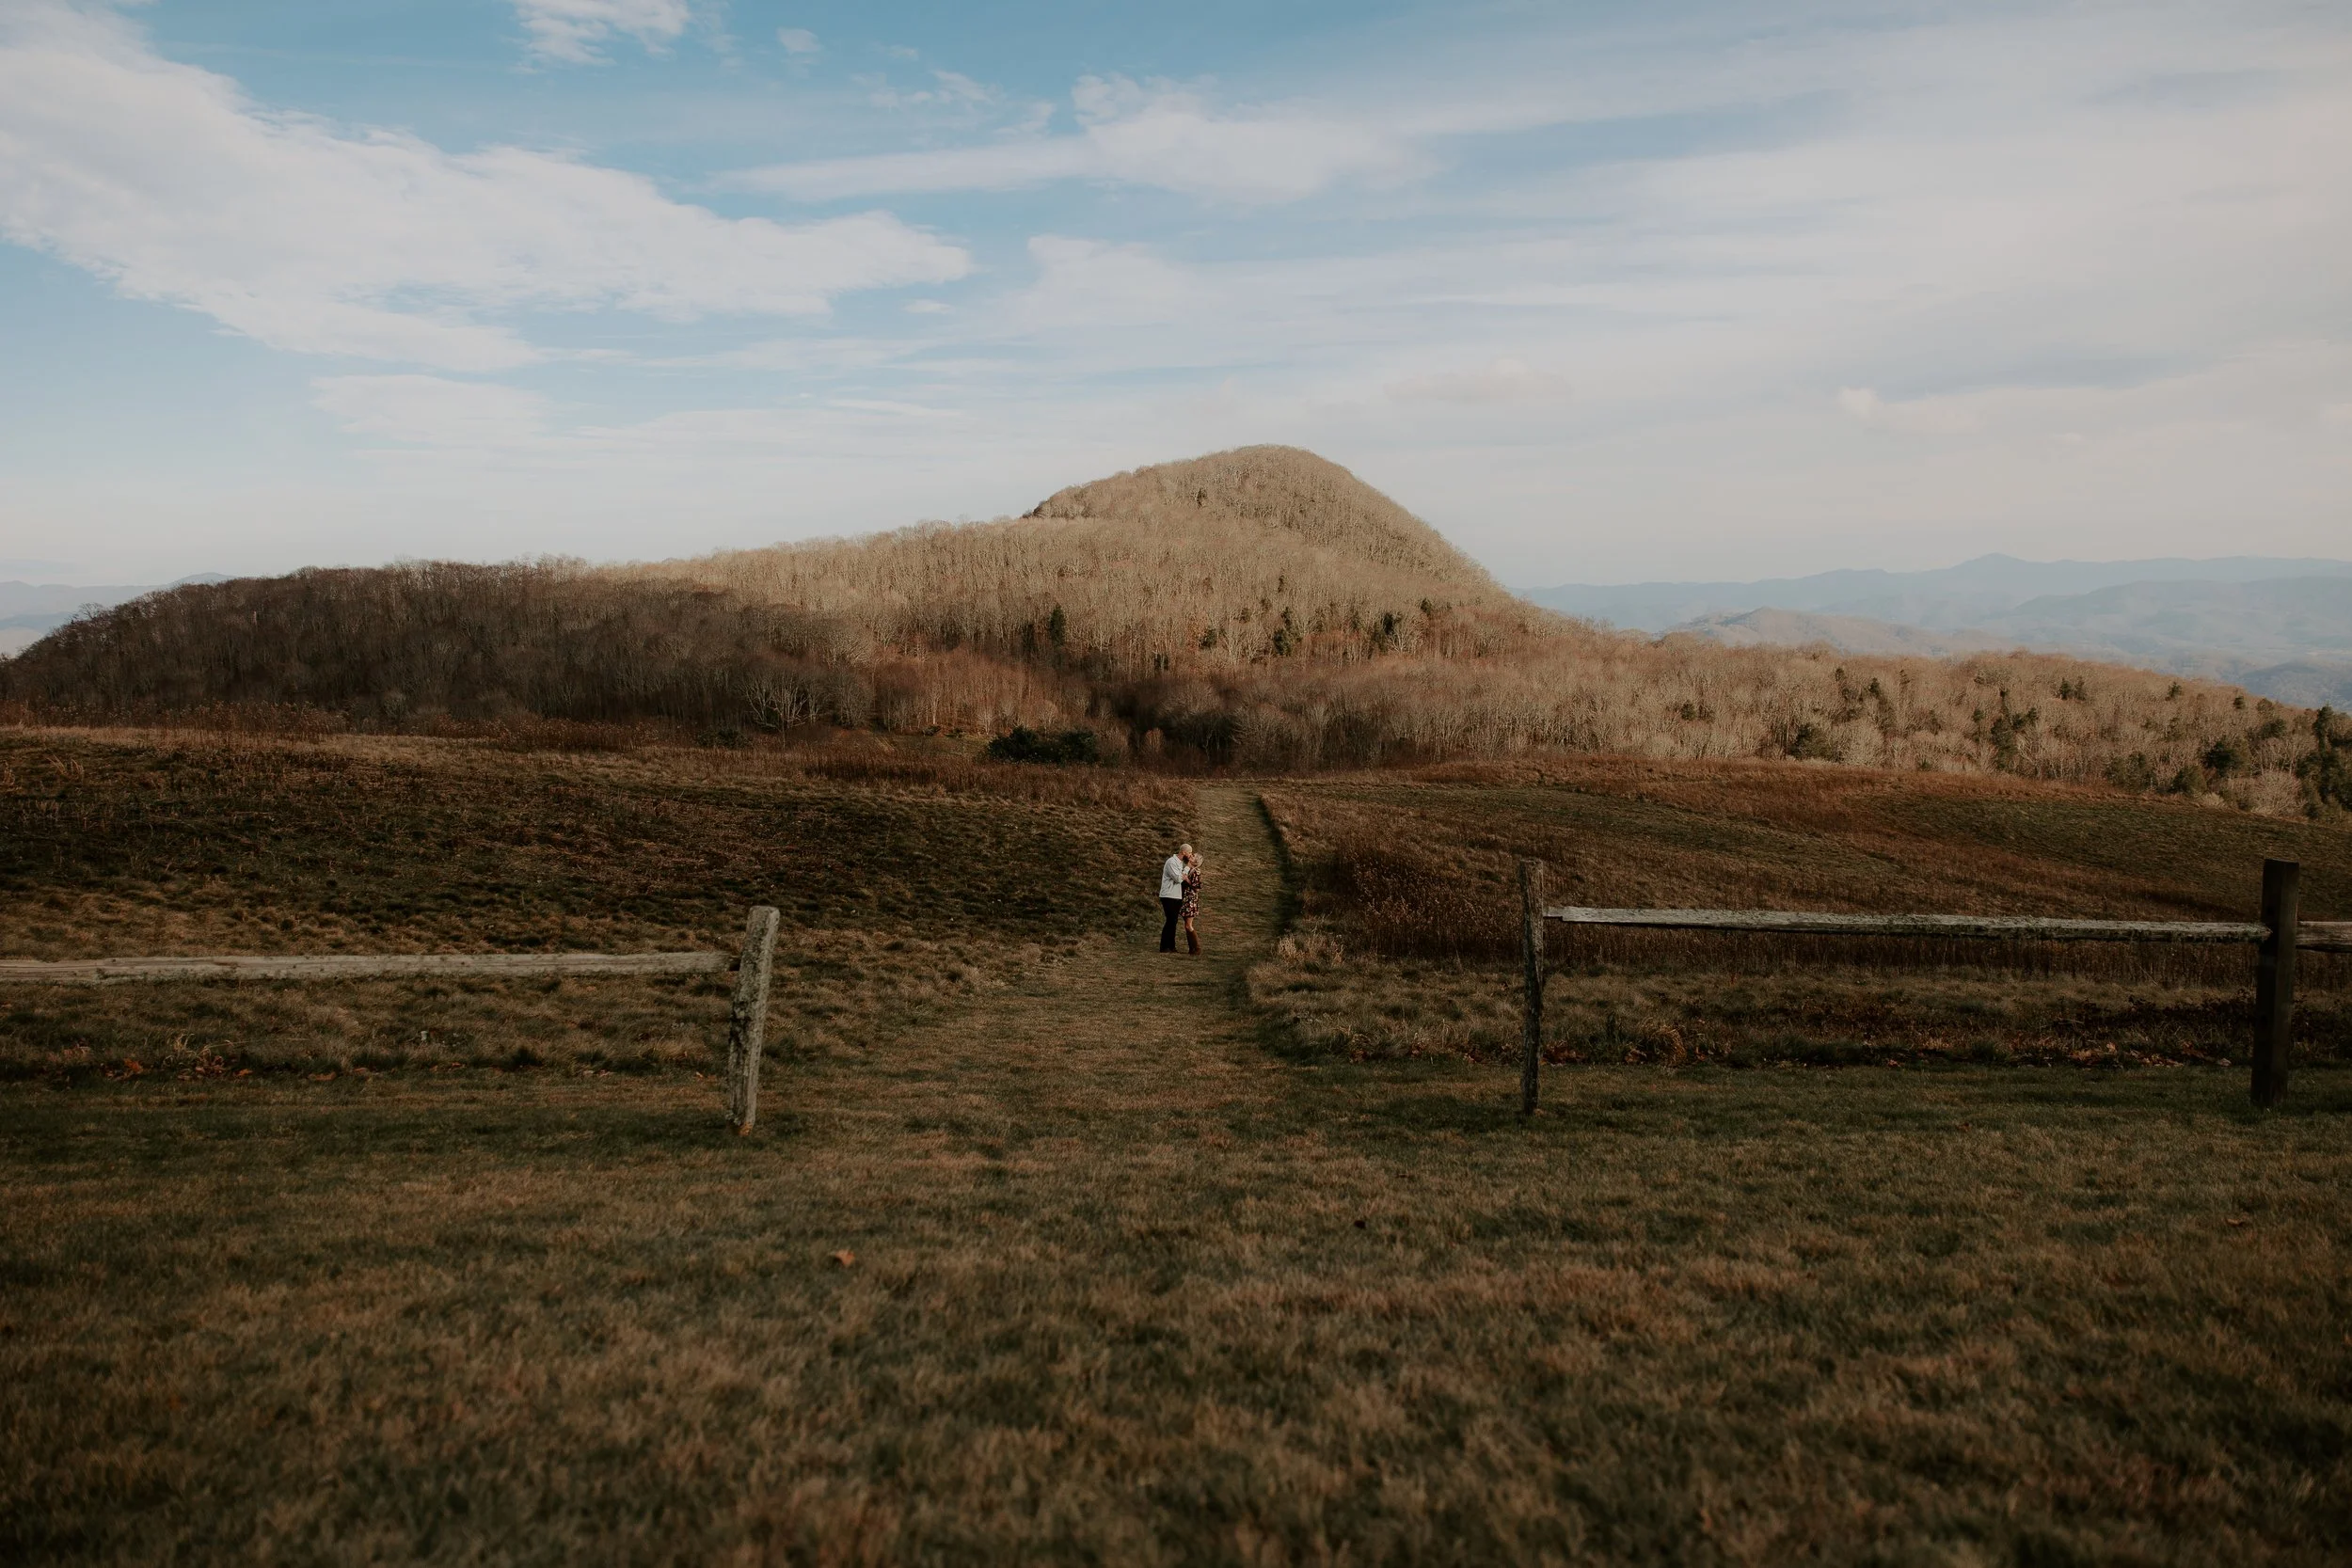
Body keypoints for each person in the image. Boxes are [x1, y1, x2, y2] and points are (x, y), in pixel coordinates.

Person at [1158, 842, 1193, 953]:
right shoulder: (1171, 862)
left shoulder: (1180, 864)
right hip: (1168, 895)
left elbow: (1182, 878)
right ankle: (1165, 946)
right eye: (1190, 852)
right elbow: (1178, 879)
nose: (1191, 855)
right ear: (1183, 852)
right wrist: (1187, 868)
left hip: (1176, 896)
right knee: (1170, 920)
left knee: (1173, 921)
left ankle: (1171, 946)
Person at [1181, 850, 1204, 955]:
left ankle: (1197, 949)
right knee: (1186, 925)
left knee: (1189, 925)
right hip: (1186, 900)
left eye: (1193, 856)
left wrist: (1187, 880)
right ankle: (1192, 949)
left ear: (1196, 861)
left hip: (1191, 900)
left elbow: (1197, 888)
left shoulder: (1196, 871)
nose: (1191, 856)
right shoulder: (1189, 869)